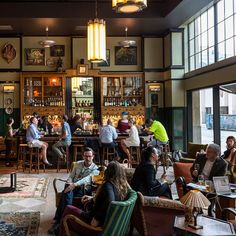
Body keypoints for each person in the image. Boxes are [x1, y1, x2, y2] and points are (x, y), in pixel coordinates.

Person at [58, 161, 129, 236]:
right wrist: (92, 198)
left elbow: (110, 202)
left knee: (68, 208)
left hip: (93, 227)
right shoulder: (120, 186)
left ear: (108, 172)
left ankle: (59, 231)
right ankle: (60, 229)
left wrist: (97, 218)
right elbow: (108, 200)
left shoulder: (108, 185)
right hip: (105, 223)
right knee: (72, 209)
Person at [48, 147, 99, 235]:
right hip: (72, 186)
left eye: (89, 156)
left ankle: (58, 220)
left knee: (66, 192)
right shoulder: (78, 164)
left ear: (93, 156)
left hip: (82, 189)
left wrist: (74, 184)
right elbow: (71, 176)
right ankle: (63, 220)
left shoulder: (95, 169)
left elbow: (87, 179)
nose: (87, 158)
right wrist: (69, 181)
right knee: (67, 188)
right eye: (86, 156)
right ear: (83, 156)